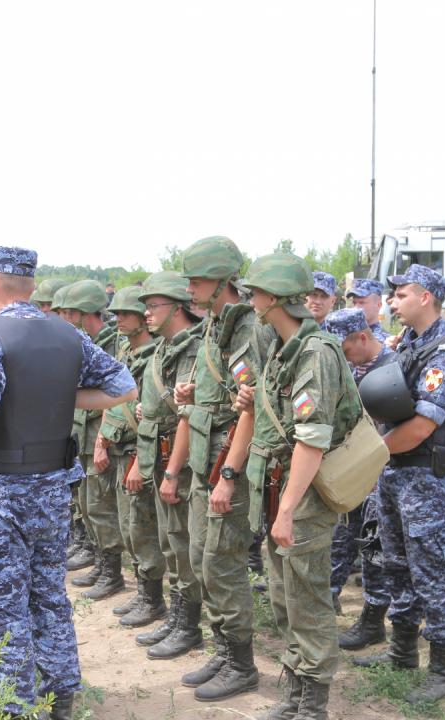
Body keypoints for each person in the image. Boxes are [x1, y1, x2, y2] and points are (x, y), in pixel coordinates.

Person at [0, 246, 136, 719]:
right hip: (51, 490)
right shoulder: (69, 334)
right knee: (48, 594)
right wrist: (63, 397)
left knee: (1, 604)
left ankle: (15, 705)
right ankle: (61, 694)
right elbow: (125, 387)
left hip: (0, 493)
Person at [221, 253, 361, 720]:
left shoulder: (316, 352)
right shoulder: (286, 348)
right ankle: (297, 689)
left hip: (301, 497)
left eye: (256, 292)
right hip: (279, 492)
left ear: (275, 297)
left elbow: (312, 440)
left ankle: (314, 702)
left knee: (307, 598)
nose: (250, 299)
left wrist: (285, 512)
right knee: (283, 597)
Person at [354, 264, 445, 706]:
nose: (391, 303)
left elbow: (423, 425)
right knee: (396, 564)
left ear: (425, 296)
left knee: (433, 569)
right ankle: (403, 651)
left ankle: (443, 670)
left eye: (400, 295)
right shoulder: (406, 345)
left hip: (423, 475)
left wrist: (368, 459)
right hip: (394, 471)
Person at [174, 235, 276, 702]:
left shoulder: (248, 330)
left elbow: (254, 409)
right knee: (201, 558)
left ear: (220, 283)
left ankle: (242, 663)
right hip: (203, 459)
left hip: (227, 463)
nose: (190, 290)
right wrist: (196, 397)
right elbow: (226, 396)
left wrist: (230, 475)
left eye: (196, 281)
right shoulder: (216, 326)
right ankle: (223, 647)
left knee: (223, 562)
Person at [125, 271, 206, 659]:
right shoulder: (164, 348)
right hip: (159, 456)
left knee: (182, 544)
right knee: (168, 543)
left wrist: (173, 472)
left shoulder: (194, 350)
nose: (146, 312)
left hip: (182, 462)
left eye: (153, 304)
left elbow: (191, 415)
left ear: (177, 307)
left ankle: (189, 625)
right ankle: (177, 617)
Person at [322, 308, 394, 651]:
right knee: (348, 537)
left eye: (346, 349)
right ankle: (340, 600)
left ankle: (375, 619)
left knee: (376, 547)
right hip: (354, 474)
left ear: (362, 337)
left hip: (385, 474)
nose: (343, 357)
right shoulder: (352, 368)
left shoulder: (394, 367)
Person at [96, 285, 164, 624]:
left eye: (126, 313)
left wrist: (139, 460)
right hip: (120, 449)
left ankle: (153, 600)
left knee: (142, 527)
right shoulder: (126, 352)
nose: (118, 319)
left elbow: (151, 417)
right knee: (128, 526)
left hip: (141, 452)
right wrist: (101, 441)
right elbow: (114, 400)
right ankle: (142, 593)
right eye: (116, 314)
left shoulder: (155, 356)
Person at [55, 280, 124, 591]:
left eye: (70, 312)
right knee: (86, 502)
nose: (64, 318)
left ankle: (112, 573)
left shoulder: (113, 344)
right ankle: (100, 562)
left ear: (86, 313)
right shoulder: (80, 342)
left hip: (102, 432)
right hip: (82, 432)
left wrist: (103, 439)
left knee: (100, 504)